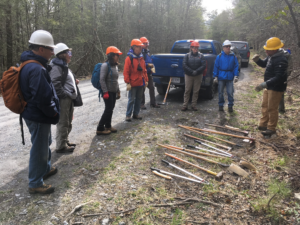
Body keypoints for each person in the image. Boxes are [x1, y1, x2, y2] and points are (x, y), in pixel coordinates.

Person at [19, 30, 60, 194]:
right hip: (38, 115)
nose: (52, 52)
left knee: (45, 143)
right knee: (39, 148)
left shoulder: (29, 64)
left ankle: (45, 169)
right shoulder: (36, 69)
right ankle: (35, 182)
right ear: (41, 49)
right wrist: (54, 113)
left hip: (34, 114)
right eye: (50, 49)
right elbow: (43, 98)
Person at [252, 37, 288, 136]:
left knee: (272, 108)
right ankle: (263, 124)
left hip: (276, 88)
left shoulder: (281, 59)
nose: (266, 51)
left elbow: (279, 77)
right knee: (265, 106)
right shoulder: (271, 56)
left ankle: (271, 129)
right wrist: (257, 60)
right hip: (268, 86)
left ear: (275, 49)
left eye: (268, 49)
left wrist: (264, 84)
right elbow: (264, 64)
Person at [49, 43, 78, 152]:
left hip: (68, 99)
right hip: (63, 100)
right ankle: (61, 146)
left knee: (68, 121)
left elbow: (62, 81)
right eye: (68, 53)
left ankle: (64, 140)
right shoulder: (57, 67)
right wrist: (64, 95)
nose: (70, 55)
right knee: (63, 122)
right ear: (62, 54)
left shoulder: (63, 65)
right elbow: (54, 83)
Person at [96, 46, 122, 135]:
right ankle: (100, 128)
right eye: (117, 55)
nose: (118, 56)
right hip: (108, 92)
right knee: (108, 109)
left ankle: (108, 126)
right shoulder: (105, 65)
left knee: (111, 109)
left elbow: (115, 80)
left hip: (114, 91)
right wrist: (105, 91)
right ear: (111, 55)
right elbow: (102, 79)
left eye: (118, 55)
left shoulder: (115, 66)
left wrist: (118, 90)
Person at [124, 39, 148, 121]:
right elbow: (126, 71)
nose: (141, 48)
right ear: (134, 47)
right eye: (139, 47)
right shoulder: (129, 58)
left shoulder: (141, 58)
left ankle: (136, 114)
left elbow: (144, 70)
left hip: (141, 83)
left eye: (141, 47)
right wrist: (127, 82)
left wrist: (146, 80)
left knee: (138, 99)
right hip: (133, 83)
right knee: (131, 100)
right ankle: (128, 115)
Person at [213, 40, 239, 112]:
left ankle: (230, 106)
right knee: (220, 92)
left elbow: (236, 66)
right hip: (221, 77)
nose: (228, 48)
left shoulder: (233, 56)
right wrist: (215, 76)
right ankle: (221, 105)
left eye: (229, 46)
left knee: (230, 92)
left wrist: (236, 75)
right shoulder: (219, 56)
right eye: (226, 46)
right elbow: (216, 66)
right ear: (223, 48)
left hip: (230, 77)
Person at [182, 41, 206, 111]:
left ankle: (194, 105)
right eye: (194, 48)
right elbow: (184, 65)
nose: (196, 49)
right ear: (191, 48)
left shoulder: (201, 56)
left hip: (198, 75)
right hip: (188, 75)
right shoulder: (187, 55)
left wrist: (197, 71)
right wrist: (191, 71)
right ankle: (185, 105)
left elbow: (203, 65)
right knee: (187, 90)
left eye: (197, 48)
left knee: (196, 91)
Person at [140, 37, 160, 109]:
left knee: (152, 87)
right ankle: (141, 104)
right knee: (142, 89)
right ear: (141, 44)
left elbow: (149, 61)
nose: (146, 45)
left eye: (147, 43)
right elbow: (140, 63)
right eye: (145, 43)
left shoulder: (147, 52)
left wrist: (152, 66)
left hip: (149, 73)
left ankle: (153, 103)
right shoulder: (140, 53)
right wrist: (148, 65)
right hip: (143, 73)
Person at [278, 41, 293, 113]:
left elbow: (290, 67)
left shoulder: (287, 54)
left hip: (282, 76)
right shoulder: (274, 53)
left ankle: (281, 110)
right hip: (279, 76)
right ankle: (279, 109)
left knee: (280, 93)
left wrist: (286, 75)